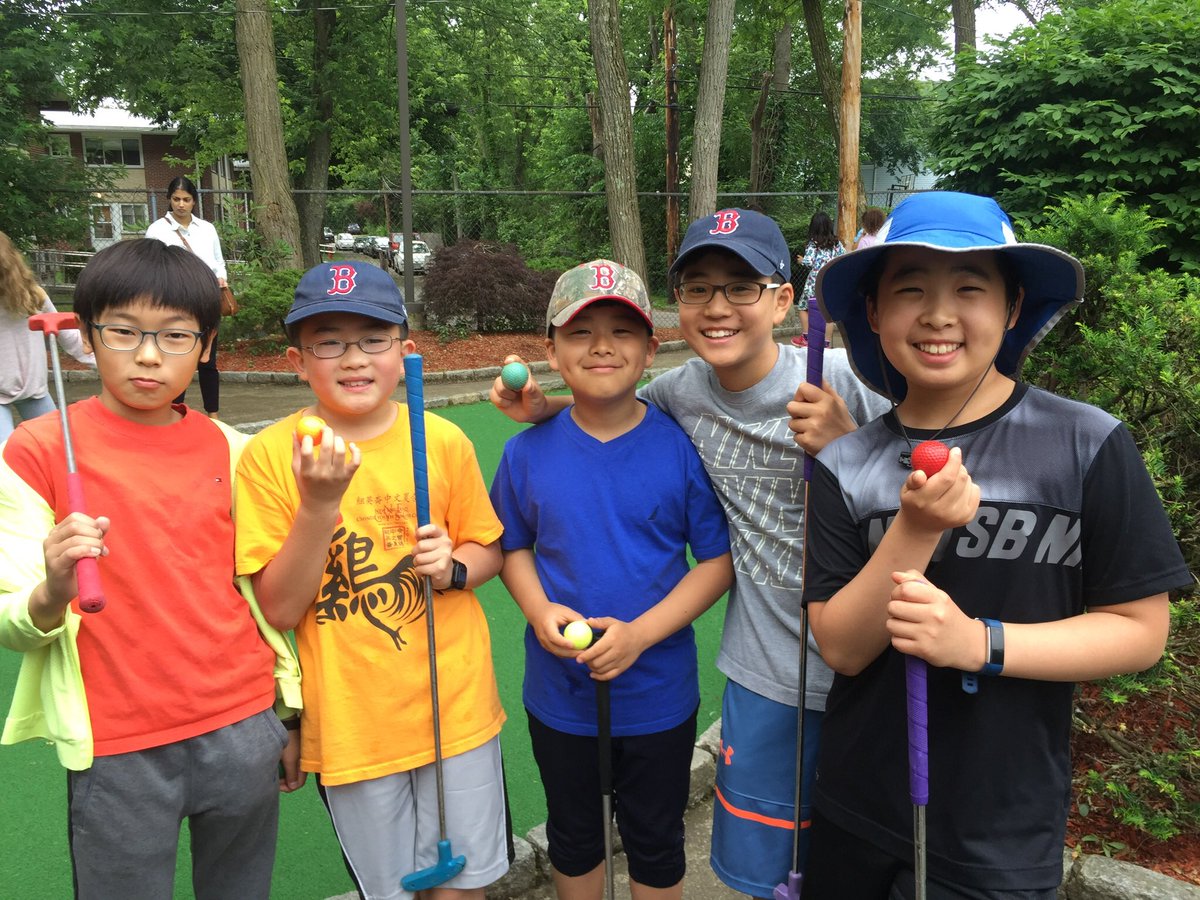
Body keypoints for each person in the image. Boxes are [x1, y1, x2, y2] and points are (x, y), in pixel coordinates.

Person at [800, 191, 1190, 898]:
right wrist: (915, 531)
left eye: (970, 289)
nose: (939, 314)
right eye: (910, 289)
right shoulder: (845, 465)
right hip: (858, 809)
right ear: (877, 315)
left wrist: (981, 643)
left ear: (1012, 309)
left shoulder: (1086, 443)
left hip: (1001, 827)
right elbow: (842, 647)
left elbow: (1141, 632)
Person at [490, 210, 890, 899]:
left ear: (782, 301)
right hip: (767, 665)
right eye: (698, 289)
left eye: (741, 287)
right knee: (765, 861)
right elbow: (603, 410)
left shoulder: (841, 382)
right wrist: (544, 409)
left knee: (862, 846)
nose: (718, 306)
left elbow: (918, 484)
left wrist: (848, 446)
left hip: (865, 651)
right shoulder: (679, 396)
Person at [0, 239, 302, 899]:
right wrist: (53, 585)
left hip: (241, 725)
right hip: (118, 746)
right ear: (86, 335)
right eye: (123, 332)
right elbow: (15, 621)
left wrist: (284, 716)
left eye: (173, 337)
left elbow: (261, 593)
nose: (146, 354)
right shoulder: (37, 450)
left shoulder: (235, 451)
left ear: (206, 345)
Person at [234, 260, 510, 900]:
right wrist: (318, 506)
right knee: (388, 892)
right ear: (298, 360)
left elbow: (488, 548)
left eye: (373, 338)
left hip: (456, 707)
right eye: (328, 341)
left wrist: (456, 567)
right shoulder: (273, 456)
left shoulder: (442, 440)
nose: (353, 357)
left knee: (461, 886)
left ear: (406, 352)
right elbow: (276, 607)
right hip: (353, 723)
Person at [490, 260, 735, 900]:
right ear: (551, 349)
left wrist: (639, 636)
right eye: (580, 331)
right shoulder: (524, 451)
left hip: (657, 694)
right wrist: (540, 610)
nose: (601, 346)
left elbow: (716, 561)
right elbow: (512, 545)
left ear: (651, 348)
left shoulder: (680, 447)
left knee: (655, 840)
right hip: (559, 695)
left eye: (622, 331)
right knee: (575, 835)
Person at [0, 229, 94, 441]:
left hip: (33, 388)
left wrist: (106, 361)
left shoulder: (33, 296)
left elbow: (69, 336)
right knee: (5, 454)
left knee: (59, 443)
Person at [145, 175, 227, 418]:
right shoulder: (157, 230)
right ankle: (172, 412)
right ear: (169, 200)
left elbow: (219, 262)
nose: (181, 204)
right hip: (174, 303)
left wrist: (222, 278)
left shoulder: (207, 229)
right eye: (176, 199)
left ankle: (214, 415)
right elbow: (152, 267)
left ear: (194, 201)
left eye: (186, 199)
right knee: (177, 359)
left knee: (208, 362)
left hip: (207, 301)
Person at [795, 211, 845, 346]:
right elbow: (842, 258)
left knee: (803, 308)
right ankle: (826, 343)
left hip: (814, 282)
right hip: (830, 281)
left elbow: (809, 261)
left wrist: (801, 260)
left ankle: (806, 338)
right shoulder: (836, 243)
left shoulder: (814, 243)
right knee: (827, 314)